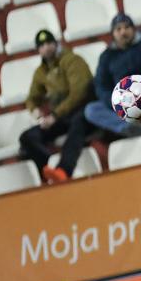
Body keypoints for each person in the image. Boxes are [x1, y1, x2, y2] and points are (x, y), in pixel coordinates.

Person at [85, 13, 141, 156]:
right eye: (118, 29)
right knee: (91, 110)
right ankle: (131, 128)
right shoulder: (106, 57)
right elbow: (101, 87)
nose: (123, 32)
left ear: (134, 29)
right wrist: (117, 103)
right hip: (123, 105)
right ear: (113, 34)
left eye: (126, 27)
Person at [19, 29, 94, 183]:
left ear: (56, 44)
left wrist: (54, 115)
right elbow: (32, 98)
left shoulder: (72, 60)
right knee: (27, 137)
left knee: (77, 124)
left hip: (84, 111)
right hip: (61, 116)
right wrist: (36, 112)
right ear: (38, 50)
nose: (46, 47)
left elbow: (78, 93)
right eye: (42, 45)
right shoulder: (40, 72)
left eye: (49, 43)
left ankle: (63, 170)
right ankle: (48, 167)